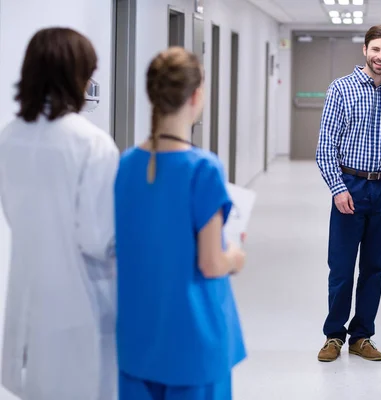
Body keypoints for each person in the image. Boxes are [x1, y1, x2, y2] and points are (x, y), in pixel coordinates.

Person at [114, 47, 247, 400]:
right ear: (196, 95)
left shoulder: (126, 164)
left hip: (138, 338)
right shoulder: (203, 169)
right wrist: (235, 255)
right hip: (192, 341)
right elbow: (211, 262)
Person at [0, 28, 119, 399]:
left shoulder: (9, 137)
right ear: (77, 76)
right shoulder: (91, 143)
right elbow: (98, 238)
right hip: (81, 302)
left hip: (28, 296)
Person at [315, 25, 381, 362]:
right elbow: (325, 149)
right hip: (349, 187)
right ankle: (334, 336)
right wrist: (338, 189)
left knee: (374, 267)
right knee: (340, 267)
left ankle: (362, 336)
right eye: (376, 50)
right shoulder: (341, 89)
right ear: (365, 50)